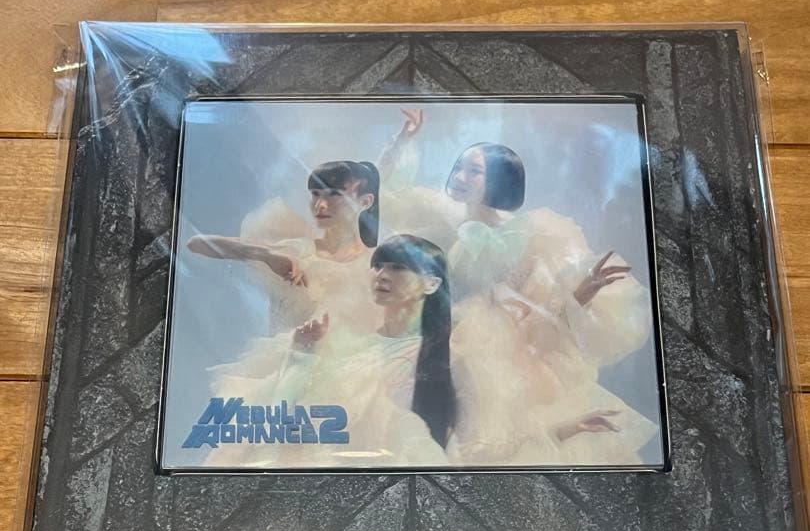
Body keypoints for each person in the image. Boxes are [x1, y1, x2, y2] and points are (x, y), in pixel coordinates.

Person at [379, 110, 659, 466]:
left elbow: (550, 310)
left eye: (474, 171)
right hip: (442, 330)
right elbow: (388, 195)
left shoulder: (532, 232)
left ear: (499, 181)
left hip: (500, 344)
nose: (460, 176)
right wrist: (404, 140)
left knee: (491, 432)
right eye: (459, 166)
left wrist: (585, 289)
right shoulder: (444, 212)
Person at [206, 235, 457, 468]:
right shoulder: (347, 343)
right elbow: (281, 417)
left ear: (432, 283)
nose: (382, 276)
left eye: (398, 268)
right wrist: (303, 353)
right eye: (379, 266)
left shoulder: (451, 356)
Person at [186, 160, 382, 381]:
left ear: (365, 201)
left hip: (344, 381)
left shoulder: (378, 267)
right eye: (315, 194)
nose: (320, 204)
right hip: (281, 376)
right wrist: (267, 255)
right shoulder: (300, 250)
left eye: (334, 194)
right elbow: (197, 244)